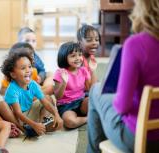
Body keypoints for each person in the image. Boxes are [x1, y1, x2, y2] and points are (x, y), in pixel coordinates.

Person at [87, 0, 159, 152]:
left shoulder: (136, 44)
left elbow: (122, 106)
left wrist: (119, 91)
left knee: (95, 91)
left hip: (139, 138)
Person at [0, 48, 63, 137]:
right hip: (17, 118)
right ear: (13, 74)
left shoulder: (33, 84)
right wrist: (33, 124)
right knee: (1, 105)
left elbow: (45, 102)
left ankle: (42, 124)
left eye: (29, 66)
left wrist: (57, 115)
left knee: (48, 98)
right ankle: (22, 129)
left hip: (30, 114)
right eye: (23, 68)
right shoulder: (12, 89)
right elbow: (18, 113)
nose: (28, 70)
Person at [54, 42, 94, 129]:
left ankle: (86, 116)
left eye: (80, 55)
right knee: (70, 122)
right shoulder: (60, 72)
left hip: (81, 101)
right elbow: (57, 97)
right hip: (66, 106)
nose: (78, 58)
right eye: (73, 56)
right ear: (64, 58)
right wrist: (64, 83)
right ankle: (89, 118)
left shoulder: (83, 70)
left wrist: (92, 71)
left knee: (94, 100)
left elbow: (90, 89)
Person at [18, 27, 54, 95]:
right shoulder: (18, 57)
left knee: (50, 74)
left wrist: (40, 77)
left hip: (37, 80)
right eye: (27, 41)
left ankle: (44, 89)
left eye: (33, 41)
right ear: (19, 43)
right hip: (25, 83)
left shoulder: (35, 56)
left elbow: (42, 69)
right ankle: (42, 92)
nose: (31, 43)